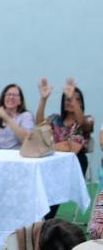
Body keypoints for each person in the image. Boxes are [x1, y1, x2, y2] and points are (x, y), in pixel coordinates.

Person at [36, 78, 95, 219]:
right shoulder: (56, 119)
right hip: (53, 163)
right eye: (67, 99)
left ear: (81, 103)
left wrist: (71, 95)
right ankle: (40, 217)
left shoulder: (87, 120)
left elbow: (83, 125)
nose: (70, 101)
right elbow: (39, 125)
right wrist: (43, 99)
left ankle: (46, 219)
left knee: (54, 181)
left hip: (75, 164)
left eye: (75, 99)